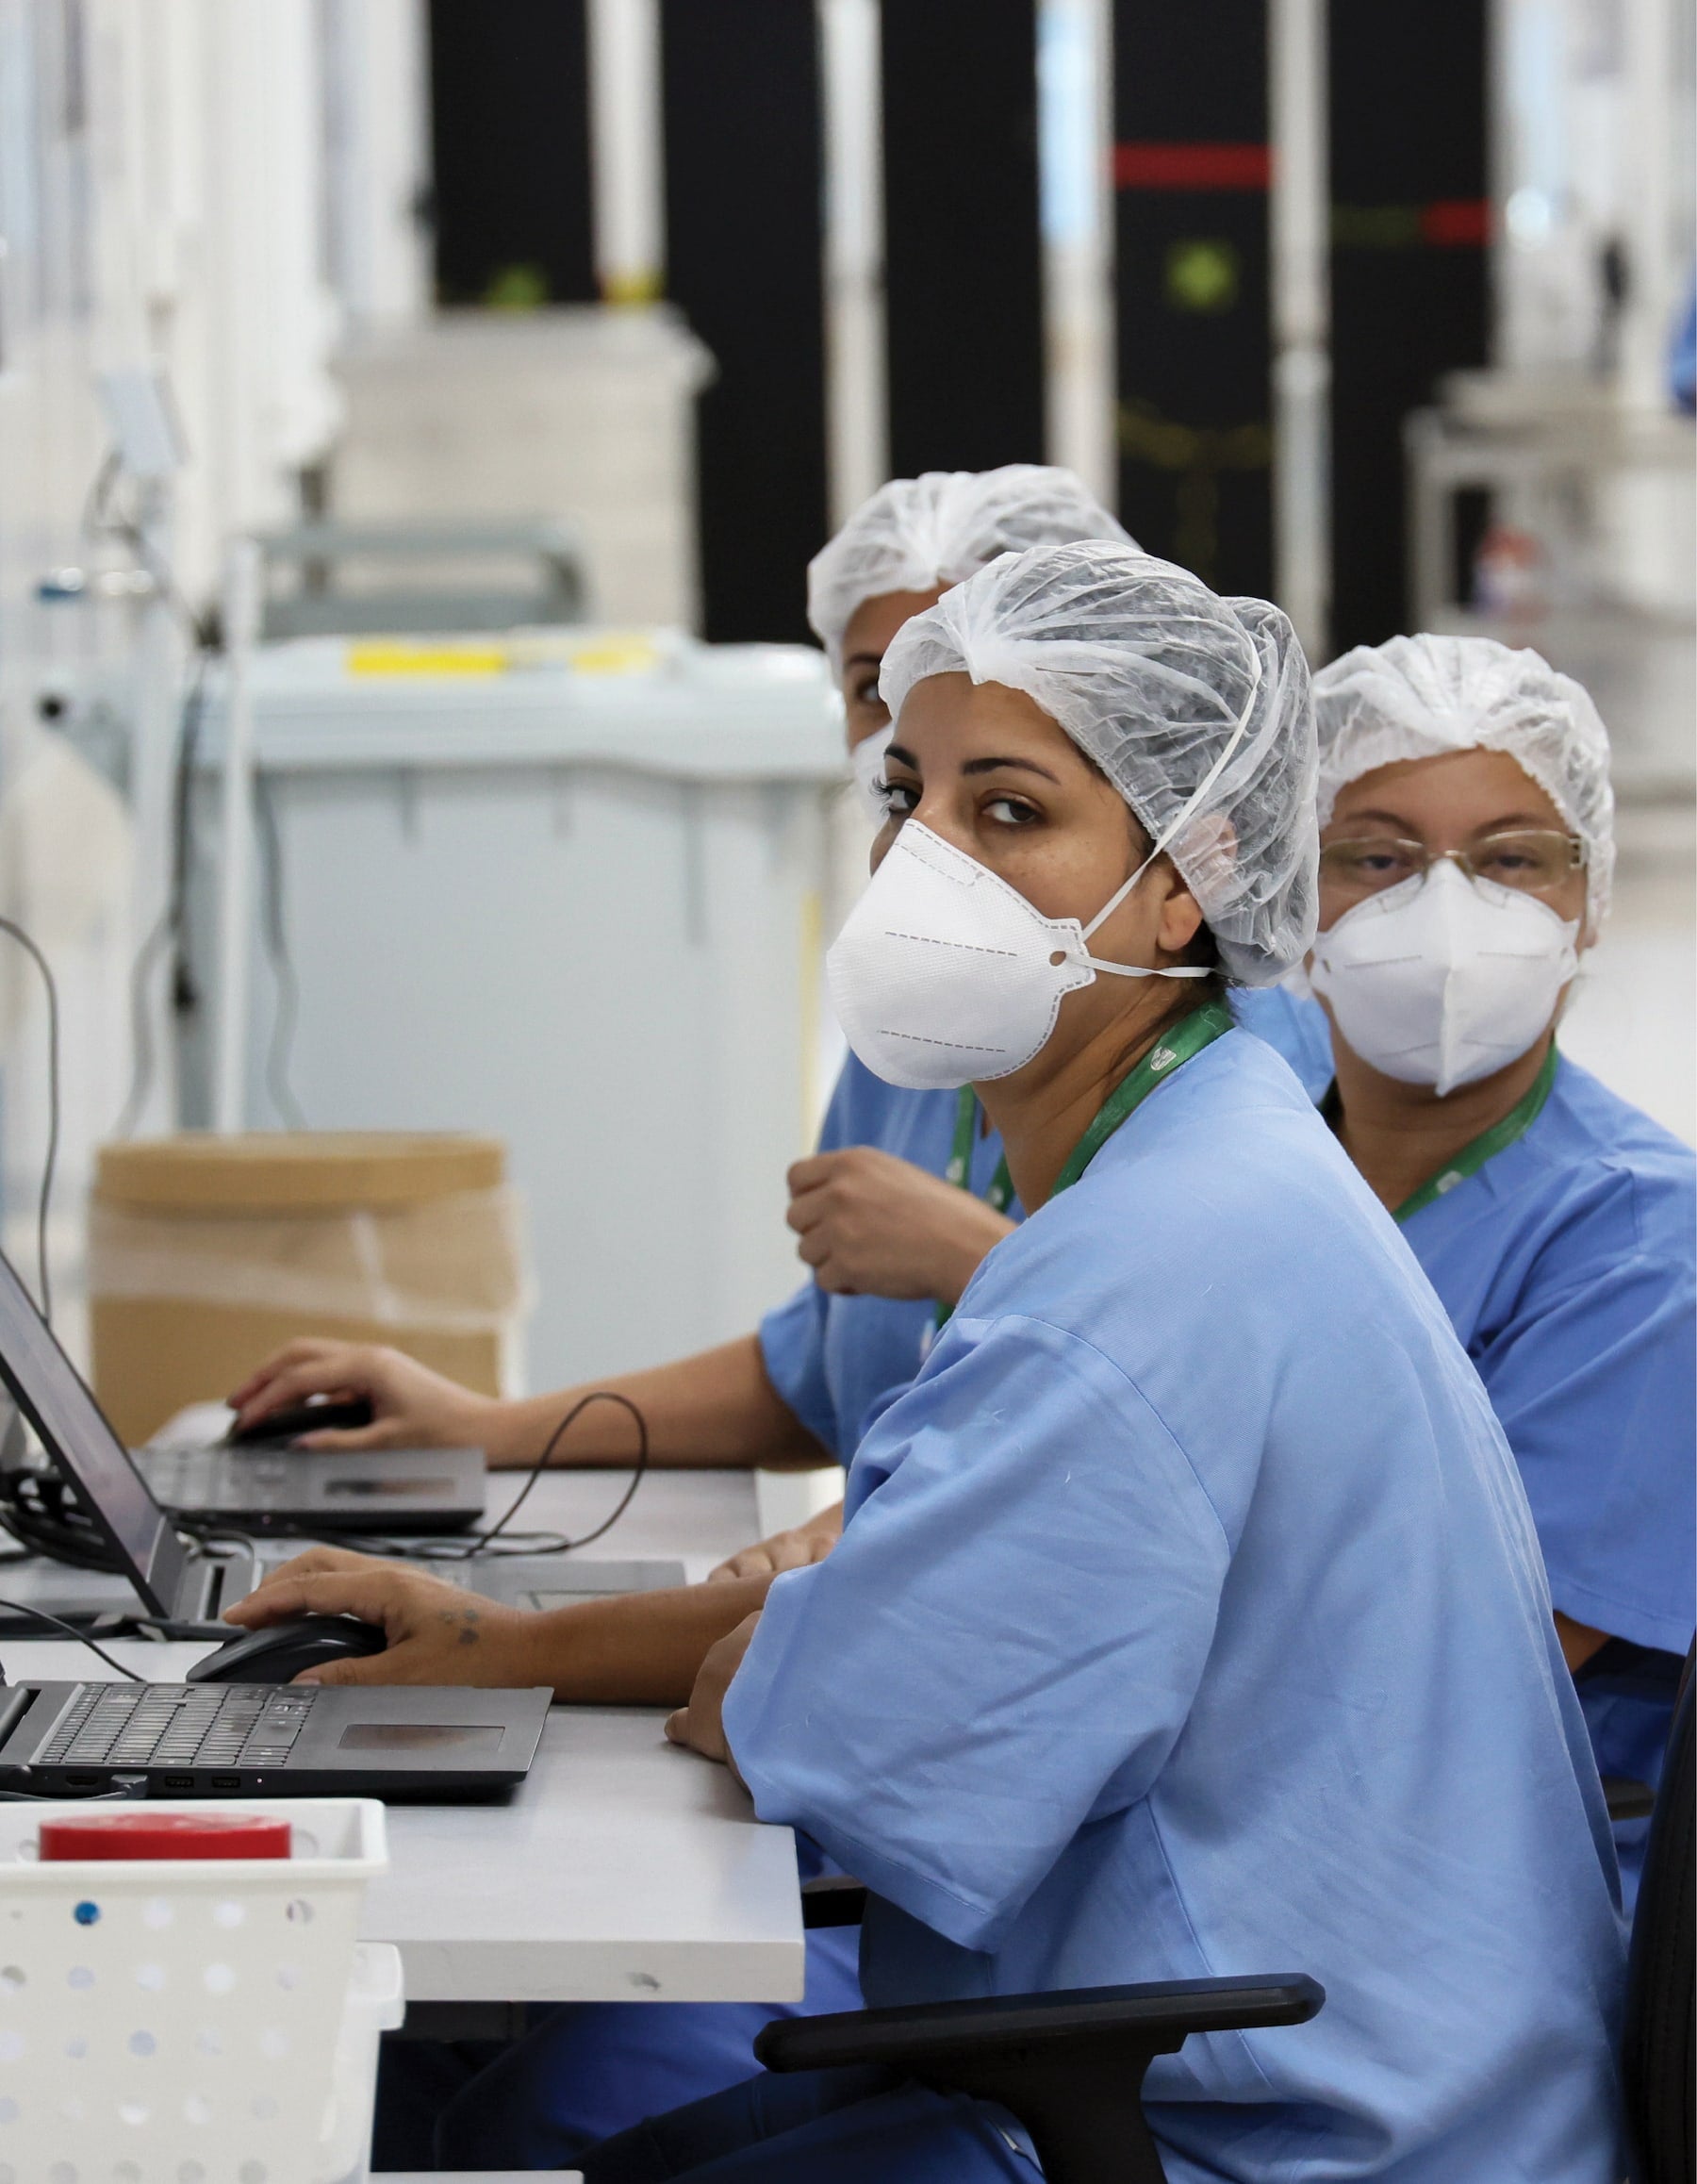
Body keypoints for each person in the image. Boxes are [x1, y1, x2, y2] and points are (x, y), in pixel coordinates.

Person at [241, 545, 1625, 2183]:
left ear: (1187, 876)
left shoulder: (1140, 1277)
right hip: (1262, 2063)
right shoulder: (1200, 1158)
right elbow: (854, 1644)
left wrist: (770, 1665)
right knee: (540, 2128)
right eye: (909, 791)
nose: (924, 859)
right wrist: (500, 1639)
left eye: (1012, 812)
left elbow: (827, 1732)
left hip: (1287, 2133)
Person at [224, 468, 1131, 2172]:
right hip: (911, 1784)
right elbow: (819, 1370)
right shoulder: (931, 1023)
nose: (925, 805)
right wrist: (481, 1430)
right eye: (888, 716)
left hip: (1030, 1905)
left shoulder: (1211, 1146)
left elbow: (1109, 1430)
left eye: (1003, 778)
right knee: (400, 2058)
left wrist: (965, 1268)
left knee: (558, 2087)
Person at [1244, 633, 1694, 1910]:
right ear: (1291, 894)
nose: (1445, 913)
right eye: (1378, 858)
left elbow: (1441, 1685)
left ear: (1588, 901)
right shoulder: (1247, 1167)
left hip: (1424, 1923)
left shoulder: (1648, 1255)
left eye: (1512, 861)